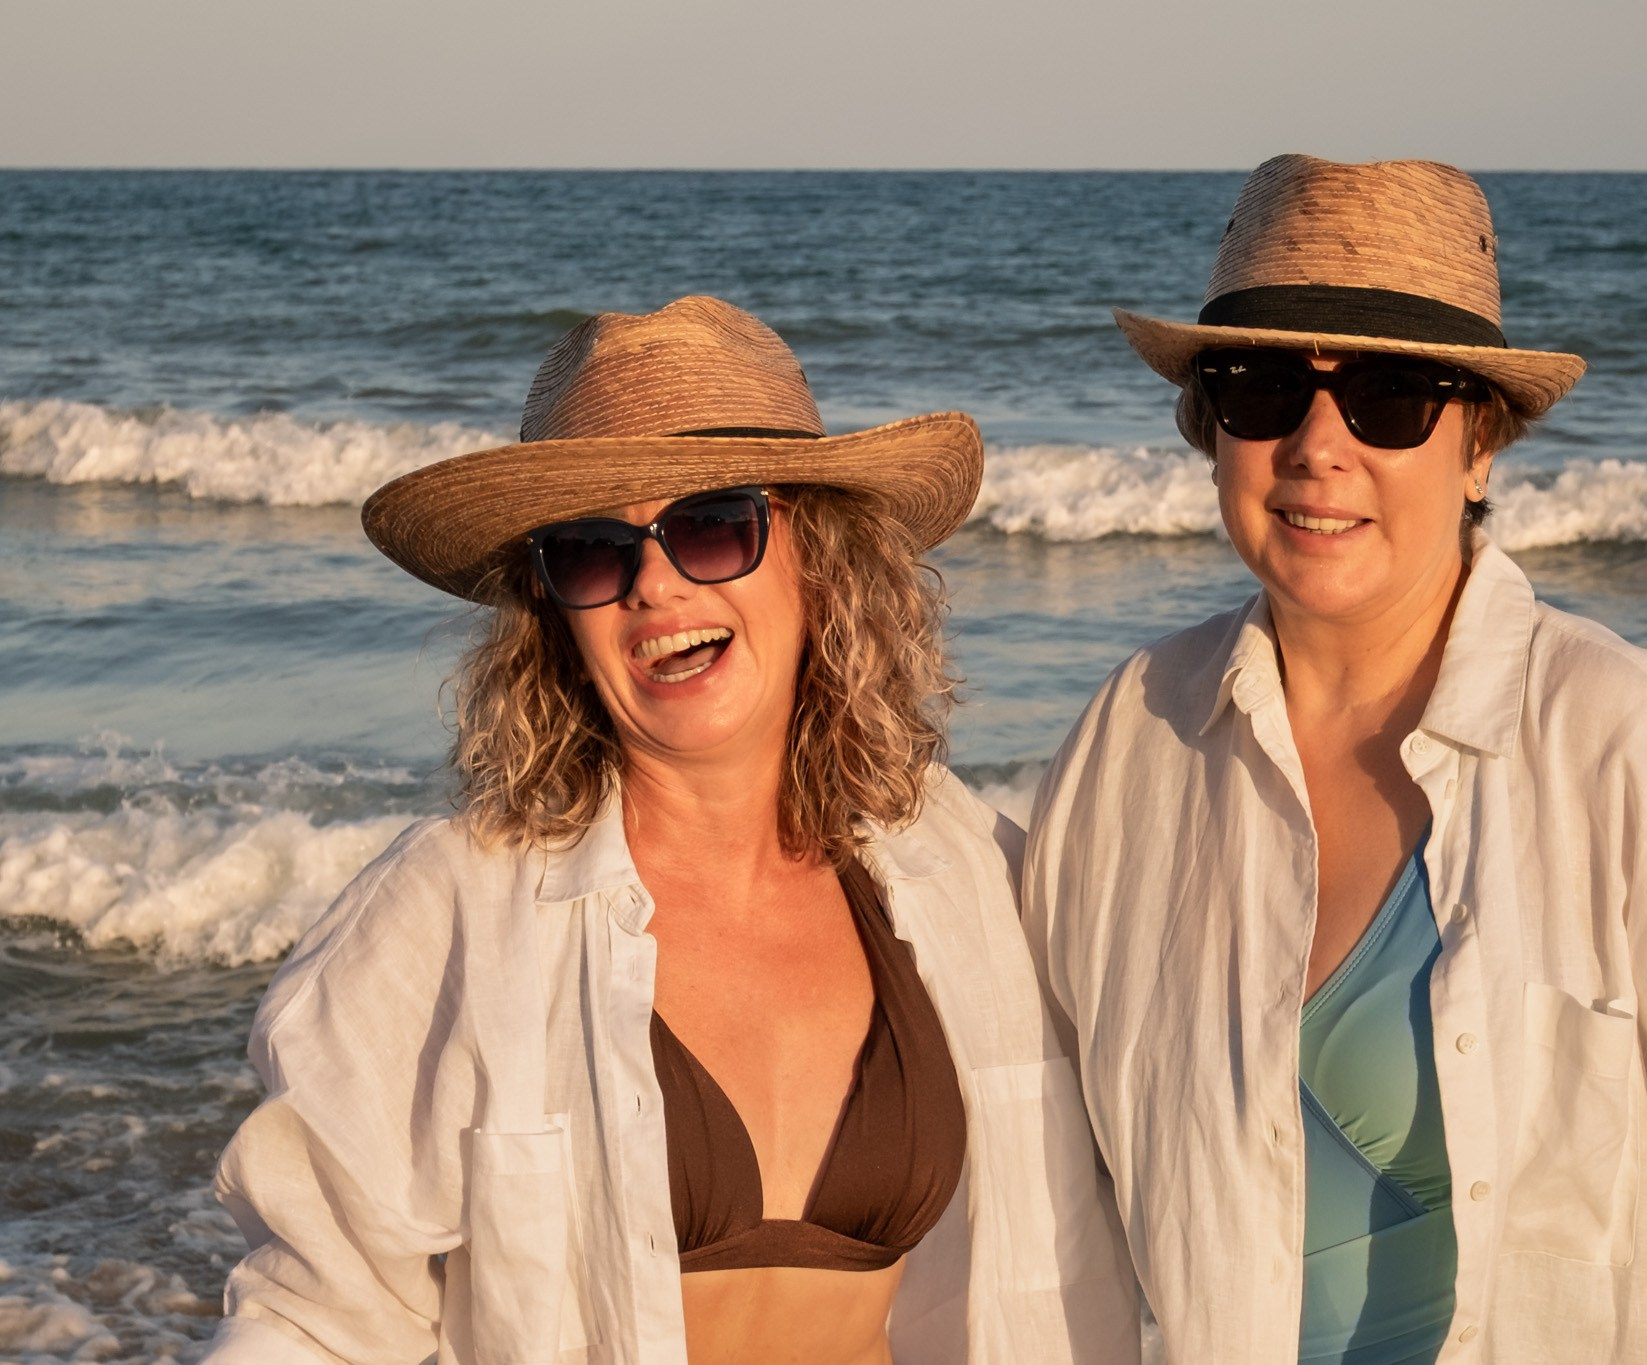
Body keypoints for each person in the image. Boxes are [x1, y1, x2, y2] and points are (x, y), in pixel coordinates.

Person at [1022, 156, 1647, 1364]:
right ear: (1207, 433)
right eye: (1258, 389)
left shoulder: (1617, 737)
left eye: (1387, 398)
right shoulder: (1129, 743)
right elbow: (1049, 1224)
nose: (1316, 445)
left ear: (1477, 447)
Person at [205, 297, 1137, 1365]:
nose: (653, 584)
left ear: (815, 555)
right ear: (554, 612)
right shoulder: (451, 908)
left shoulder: (970, 873)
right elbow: (315, 1320)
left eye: (711, 524)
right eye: (594, 553)